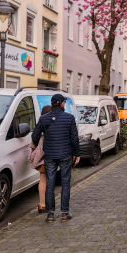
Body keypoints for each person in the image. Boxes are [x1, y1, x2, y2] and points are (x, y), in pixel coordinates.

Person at [32, 93, 80, 223]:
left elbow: (34, 137)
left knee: (50, 184)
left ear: (53, 103)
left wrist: (40, 147)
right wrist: (77, 154)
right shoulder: (69, 118)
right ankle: (64, 213)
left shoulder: (44, 118)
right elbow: (74, 138)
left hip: (50, 156)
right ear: (62, 103)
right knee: (65, 183)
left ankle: (50, 214)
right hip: (65, 155)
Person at [31, 105, 52, 213]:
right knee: (50, 180)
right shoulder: (54, 125)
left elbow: (34, 139)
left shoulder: (40, 125)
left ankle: (42, 204)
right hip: (52, 156)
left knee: (42, 180)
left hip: (41, 157)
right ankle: (49, 204)